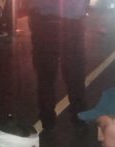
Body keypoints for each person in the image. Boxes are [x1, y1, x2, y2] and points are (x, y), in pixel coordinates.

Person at [28, 0, 88, 130]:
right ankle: (78, 116)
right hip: (71, 21)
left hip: (44, 21)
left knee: (45, 75)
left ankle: (47, 118)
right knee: (75, 75)